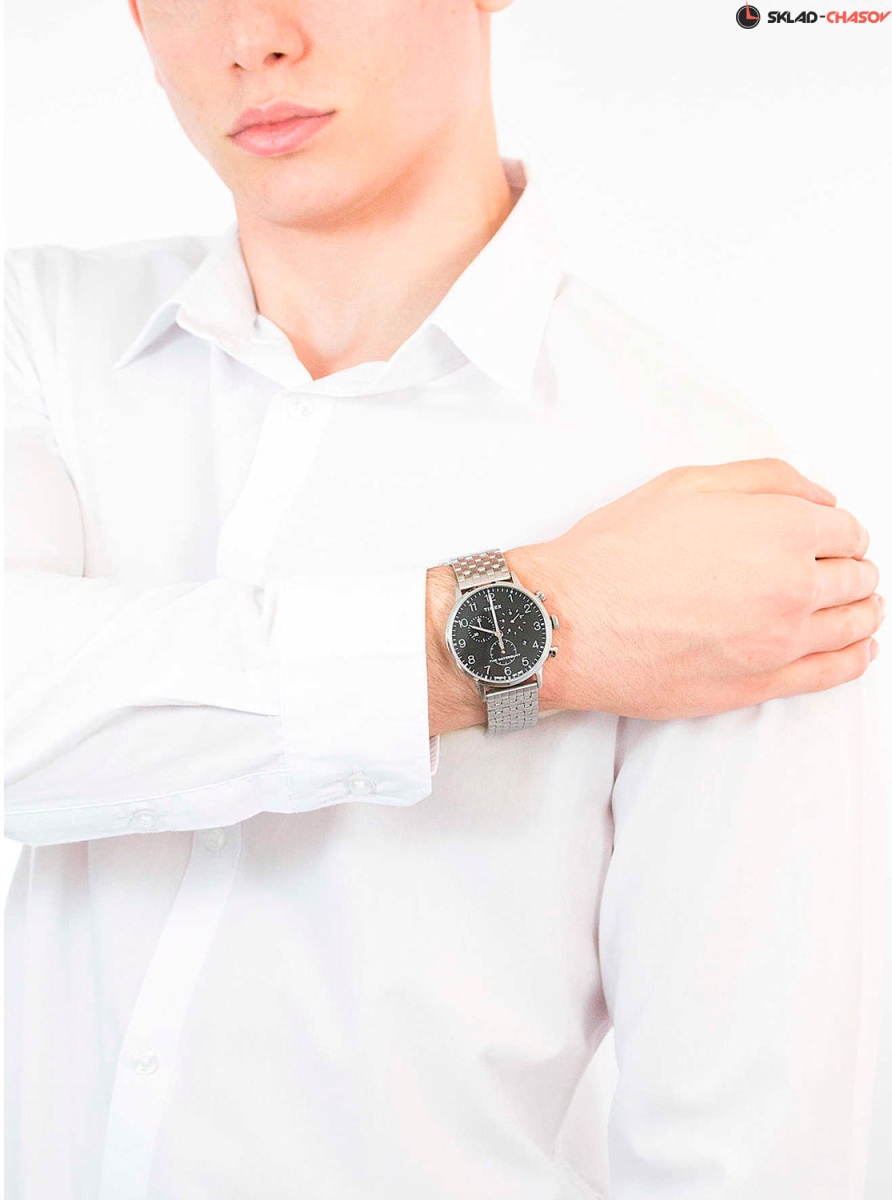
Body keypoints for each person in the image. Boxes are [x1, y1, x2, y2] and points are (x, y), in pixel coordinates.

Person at [3, 1, 883, 1197]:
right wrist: (545, 624)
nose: (252, 35)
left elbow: (745, 1155)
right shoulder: (38, 337)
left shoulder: (704, 502)